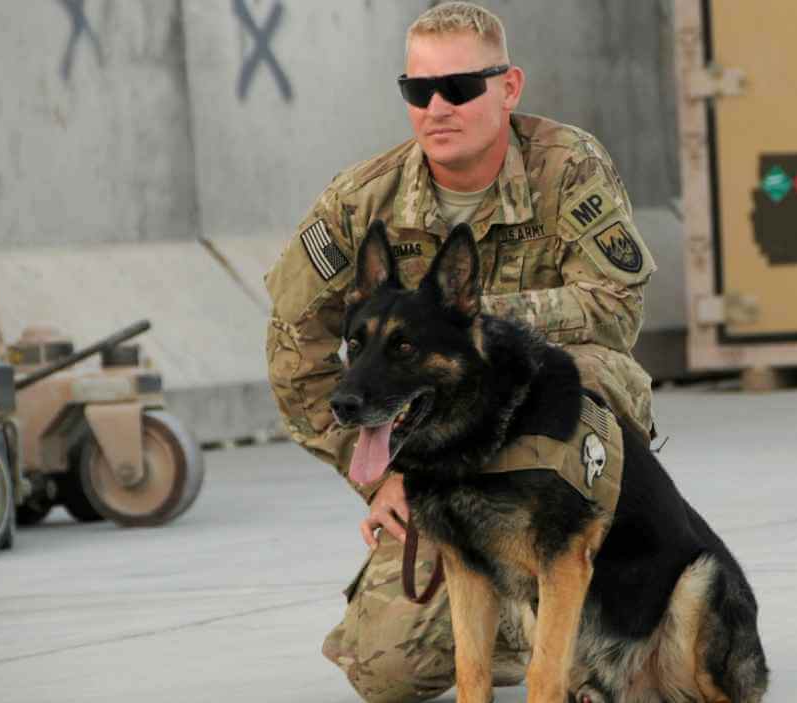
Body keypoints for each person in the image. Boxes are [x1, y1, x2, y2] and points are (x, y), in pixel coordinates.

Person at [264, 3, 657, 701]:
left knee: (589, 367)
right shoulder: (364, 200)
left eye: (461, 87)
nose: (437, 107)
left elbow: (615, 308)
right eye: (419, 91)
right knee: (386, 670)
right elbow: (295, 339)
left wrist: (468, 325)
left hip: (553, 441)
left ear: (508, 87)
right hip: (441, 462)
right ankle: (511, 630)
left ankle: (581, 557)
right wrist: (377, 479)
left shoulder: (566, 168)